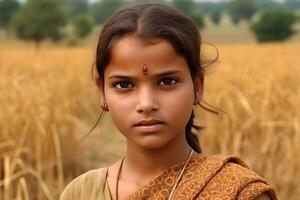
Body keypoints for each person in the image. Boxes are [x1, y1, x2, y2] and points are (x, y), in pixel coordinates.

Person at [60, 3, 278, 200]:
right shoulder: (81, 192)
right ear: (102, 93)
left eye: (167, 81)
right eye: (124, 85)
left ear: (197, 86)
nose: (146, 104)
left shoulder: (236, 191)